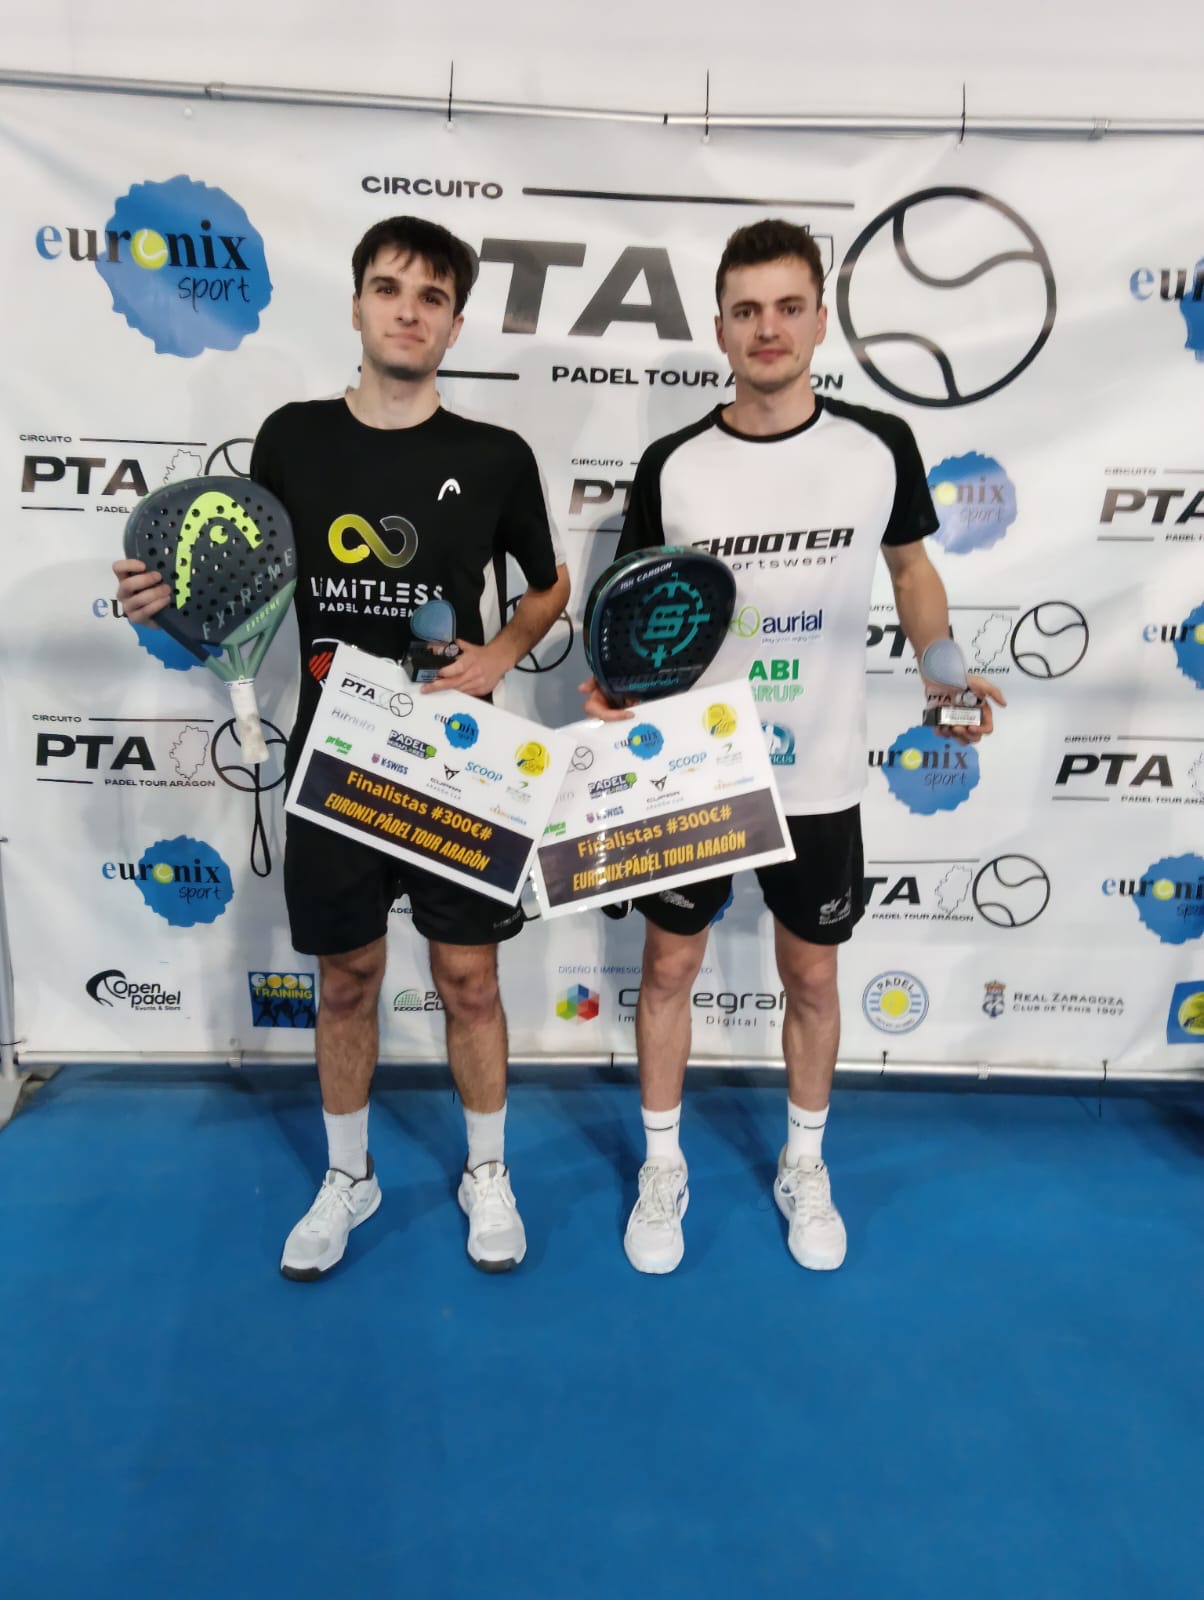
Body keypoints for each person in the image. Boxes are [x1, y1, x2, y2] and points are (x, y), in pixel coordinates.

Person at [115, 216, 570, 1282]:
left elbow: (547, 586)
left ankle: (487, 1171)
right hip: (337, 763)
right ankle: (348, 1176)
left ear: (455, 323)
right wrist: (162, 598)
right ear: (358, 305)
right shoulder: (292, 438)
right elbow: (240, 572)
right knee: (349, 980)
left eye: (431, 296)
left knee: (468, 978)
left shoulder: (496, 457)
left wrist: (499, 654)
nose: (409, 311)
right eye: (389, 289)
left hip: (457, 761)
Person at [580, 218, 1004, 1276]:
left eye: (786, 307)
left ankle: (804, 1164)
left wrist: (941, 666)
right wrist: (617, 692)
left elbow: (910, 570)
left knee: (811, 976)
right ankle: (663, 1165)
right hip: (697, 767)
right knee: (669, 966)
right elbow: (636, 607)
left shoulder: (877, 445)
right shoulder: (673, 464)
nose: (765, 328)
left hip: (819, 772)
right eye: (745, 310)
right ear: (719, 328)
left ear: (818, 320)